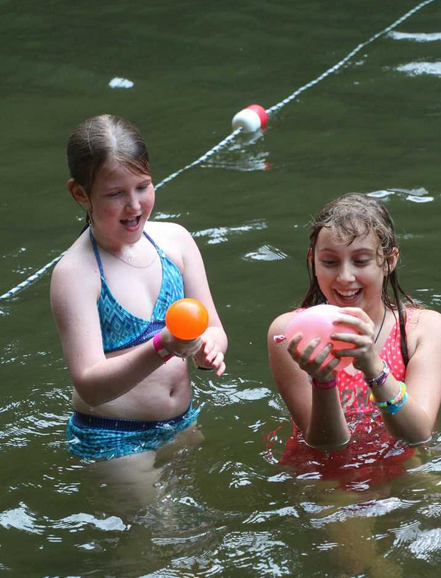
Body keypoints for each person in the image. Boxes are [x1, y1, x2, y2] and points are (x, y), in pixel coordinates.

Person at [50, 114, 228, 468]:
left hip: (182, 420)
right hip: (114, 436)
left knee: (205, 522)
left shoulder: (176, 242)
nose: (134, 206)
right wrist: (164, 346)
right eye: (115, 194)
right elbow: (90, 385)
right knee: (161, 526)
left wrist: (209, 349)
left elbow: (214, 328)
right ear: (80, 193)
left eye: (142, 187)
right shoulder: (76, 273)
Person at [267, 193, 441, 489]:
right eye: (330, 262)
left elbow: (418, 433)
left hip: (405, 463)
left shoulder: (423, 329)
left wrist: (374, 366)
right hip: (325, 474)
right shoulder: (289, 333)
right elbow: (327, 446)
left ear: (389, 261)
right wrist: (323, 381)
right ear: (313, 261)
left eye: (360, 261)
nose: (345, 277)